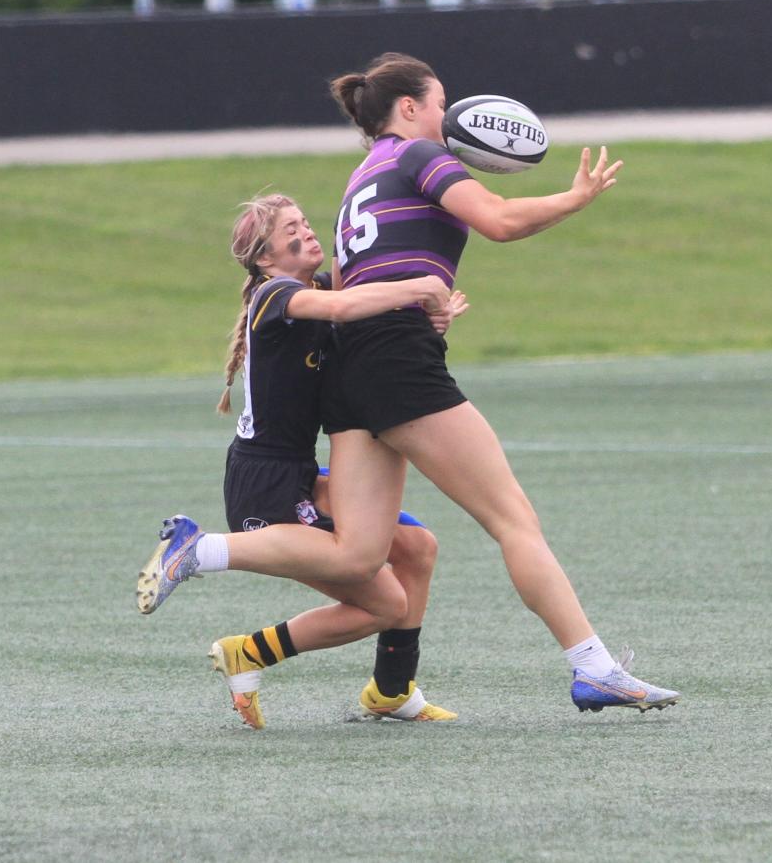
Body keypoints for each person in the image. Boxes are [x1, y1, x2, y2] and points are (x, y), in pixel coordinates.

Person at [143, 53, 679, 715]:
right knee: (513, 519)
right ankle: (592, 666)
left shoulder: (361, 175)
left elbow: (360, 279)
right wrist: (577, 197)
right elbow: (502, 222)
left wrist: (425, 308)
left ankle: (225, 568)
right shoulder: (417, 156)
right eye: (439, 102)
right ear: (407, 109)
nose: (446, 116)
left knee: (362, 555)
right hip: (396, 363)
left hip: (355, 370)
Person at [138, 193, 464, 727]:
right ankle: (200, 550)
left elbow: (361, 332)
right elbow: (344, 308)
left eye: (306, 223)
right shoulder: (275, 294)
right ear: (265, 258)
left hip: (301, 474)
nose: (308, 232)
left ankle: (384, 688)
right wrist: (421, 286)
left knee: (418, 549)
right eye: (292, 230)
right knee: (384, 604)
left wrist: (428, 326)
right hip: (263, 482)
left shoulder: (317, 288)